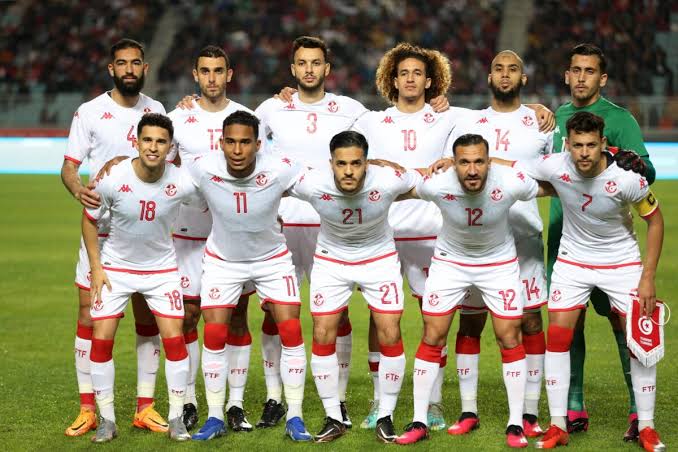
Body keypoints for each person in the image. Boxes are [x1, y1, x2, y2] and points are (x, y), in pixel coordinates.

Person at [352, 43, 554, 431]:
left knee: (435, 323)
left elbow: (498, 117)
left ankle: (434, 404)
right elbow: (349, 153)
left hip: (431, 232)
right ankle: (380, 402)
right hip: (385, 233)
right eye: (403, 73)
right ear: (393, 79)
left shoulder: (450, 117)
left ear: (430, 81)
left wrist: (535, 109)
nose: (410, 79)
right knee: (381, 320)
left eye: (417, 73)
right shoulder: (371, 121)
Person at [509, 112, 664, 451]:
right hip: (573, 262)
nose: (583, 153)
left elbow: (655, 221)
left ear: (603, 143)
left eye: (591, 145)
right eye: (577, 145)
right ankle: (558, 425)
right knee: (558, 339)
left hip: (621, 263)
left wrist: (648, 277)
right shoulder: (555, 165)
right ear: (567, 144)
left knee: (641, 342)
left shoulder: (626, 178)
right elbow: (512, 166)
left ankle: (647, 426)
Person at [395, 133, 551, 447]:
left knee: (509, 336)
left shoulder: (510, 181)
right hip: (450, 264)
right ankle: (419, 420)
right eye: (464, 162)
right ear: (453, 163)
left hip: (498, 265)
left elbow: (554, 186)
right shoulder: (437, 183)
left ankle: (515, 424)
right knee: (433, 335)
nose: (472, 170)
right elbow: (396, 188)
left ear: (489, 162)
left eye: (479, 161)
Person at [440, 50, 552, 437]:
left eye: (513, 69)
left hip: (524, 235)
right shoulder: (468, 122)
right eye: (498, 69)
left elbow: (554, 177)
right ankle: (468, 411)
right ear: (489, 77)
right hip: (478, 240)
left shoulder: (541, 124)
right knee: (471, 322)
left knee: (530, 320)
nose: (505, 75)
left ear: (524, 78)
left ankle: (530, 412)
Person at [60, 38, 168, 437]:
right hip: (101, 232)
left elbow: (171, 163)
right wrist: (79, 190)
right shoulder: (90, 112)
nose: (129, 70)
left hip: (143, 232)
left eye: (135, 63)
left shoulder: (157, 111)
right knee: (88, 315)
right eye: (121, 63)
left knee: (147, 316)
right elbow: (69, 167)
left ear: (145, 68)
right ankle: (88, 407)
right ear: (111, 69)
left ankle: (145, 406)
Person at [549, 43, 656, 440]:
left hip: (611, 246)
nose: (581, 77)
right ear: (566, 75)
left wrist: (636, 163)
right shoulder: (555, 119)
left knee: (621, 324)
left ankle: (637, 410)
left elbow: (646, 173)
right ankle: (573, 405)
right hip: (564, 240)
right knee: (568, 324)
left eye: (589, 71)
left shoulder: (621, 119)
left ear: (602, 78)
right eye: (575, 70)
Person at [187, 110, 311, 442]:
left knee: (291, 329)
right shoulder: (202, 166)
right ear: (221, 143)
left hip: (272, 260)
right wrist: (120, 163)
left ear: (258, 144)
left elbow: (327, 179)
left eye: (245, 142)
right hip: (223, 261)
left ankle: (295, 415)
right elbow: (159, 175)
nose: (237, 150)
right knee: (215, 333)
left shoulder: (281, 167)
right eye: (230, 142)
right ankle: (215, 416)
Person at [287, 131, 418, 443]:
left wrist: (443, 165)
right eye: (341, 163)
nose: (348, 171)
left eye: (356, 163)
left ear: (367, 163)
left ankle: (385, 415)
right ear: (330, 163)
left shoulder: (388, 179)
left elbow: (425, 179)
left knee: (390, 331)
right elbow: (265, 181)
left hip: (379, 259)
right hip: (331, 260)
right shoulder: (312, 182)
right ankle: (334, 416)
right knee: (322, 332)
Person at [83, 113, 196, 442]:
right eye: (147, 140)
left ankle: (176, 418)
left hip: (161, 271)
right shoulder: (113, 177)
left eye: (161, 142)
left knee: (174, 339)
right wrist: (97, 267)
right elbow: (89, 219)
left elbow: (216, 197)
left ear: (170, 147)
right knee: (101, 338)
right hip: (116, 269)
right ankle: (107, 420)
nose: (153, 147)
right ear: (136, 142)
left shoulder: (182, 180)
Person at [167, 45, 260, 432]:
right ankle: (189, 400)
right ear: (195, 75)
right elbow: (160, 169)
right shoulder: (177, 118)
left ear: (229, 74)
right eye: (204, 71)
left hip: (233, 234)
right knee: (188, 316)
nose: (211, 77)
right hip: (188, 233)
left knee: (236, 317)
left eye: (218, 70)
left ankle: (234, 404)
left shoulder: (245, 117)